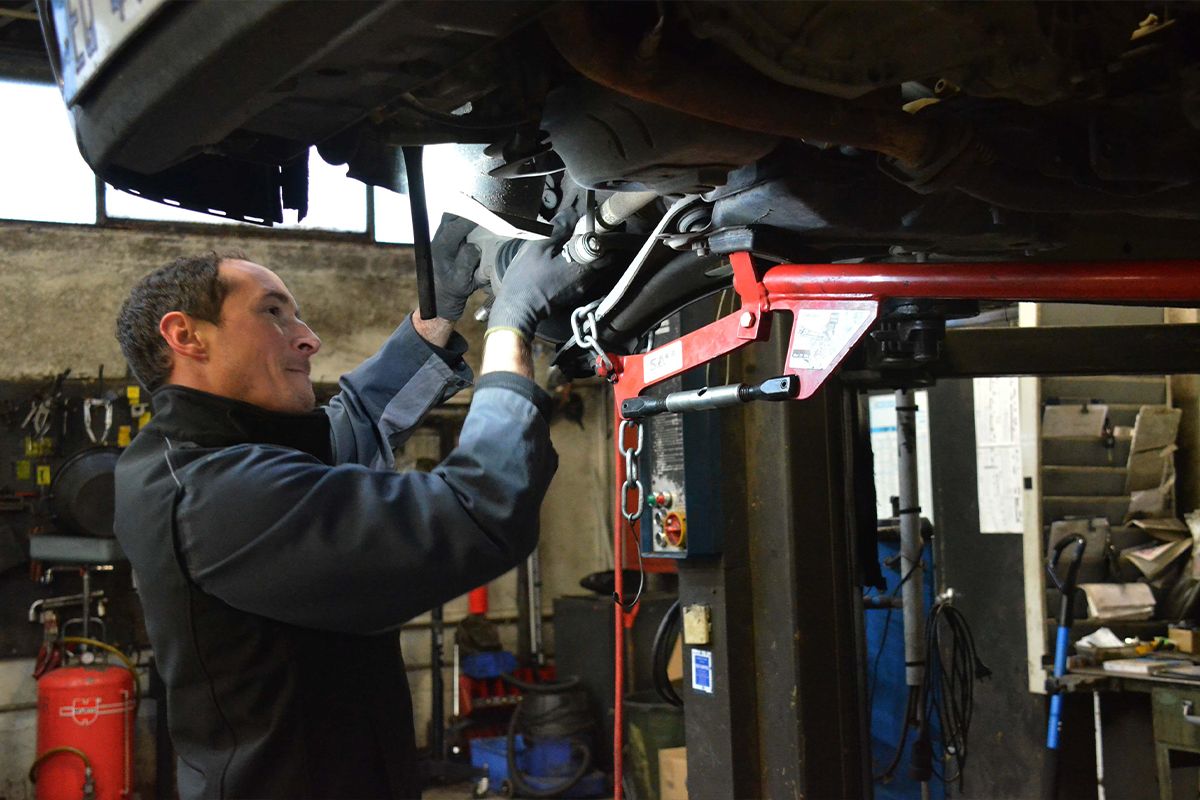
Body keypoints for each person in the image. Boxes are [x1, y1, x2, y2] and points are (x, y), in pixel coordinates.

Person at [112, 209, 603, 799]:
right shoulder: (209, 493)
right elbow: (477, 507)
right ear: (186, 336)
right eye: (273, 312)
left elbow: (355, 423)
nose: (308, 338)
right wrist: (510, 325)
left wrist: (435, 314)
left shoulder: (211, 448)